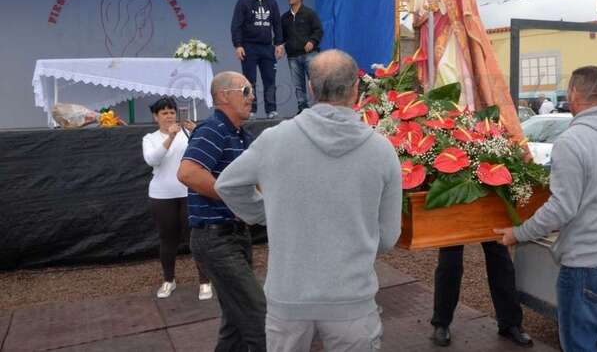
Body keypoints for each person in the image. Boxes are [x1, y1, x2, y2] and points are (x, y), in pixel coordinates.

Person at [215, 50, 402, 352]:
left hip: (288, 297)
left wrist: (267, 213)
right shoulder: (381, 151)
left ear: (311, 89)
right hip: (352, 298)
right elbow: (388, 236)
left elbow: (228, 184)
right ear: (356, 88)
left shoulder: (274, 140)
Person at [403, 0, 533, 347]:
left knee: (497, 251)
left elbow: (454, 2)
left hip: (484, 165)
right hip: (455, 165)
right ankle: (441, 321)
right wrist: (415, 4)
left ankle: (510, 322)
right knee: (450, 252)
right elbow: (421, 15)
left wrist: (429, 0)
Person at [495, 66, 597, 352]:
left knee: (579, 344)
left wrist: (518, 233)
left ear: (574, 94)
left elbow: (560, 209)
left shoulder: (571, 142)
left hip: (589, 262)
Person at [177, 72, 267, 351]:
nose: (252, 97)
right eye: (246, 91)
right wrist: (235, 200)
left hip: (235, 236)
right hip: (216, 239)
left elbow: (255, 182)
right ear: (224, 96)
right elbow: (188, 173)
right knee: (260, 317)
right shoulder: (213, 129)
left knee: (236, 322)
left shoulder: (242, 136)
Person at [141, 96, 211, 300]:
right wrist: (170, 137)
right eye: (164, 113)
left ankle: (205, 281)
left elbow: (205, 154)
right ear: (156, 117)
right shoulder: (149, 138)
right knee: (167, 239)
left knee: (195, 238)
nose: (169, 116)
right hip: (162, 195)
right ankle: (169, 280)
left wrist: (197, 132)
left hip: (189, 192)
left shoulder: (188, 133)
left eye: (172, 112)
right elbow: (152, 160)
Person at [231, 0, 285, 119]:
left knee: (270, 80)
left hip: (267, 47)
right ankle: (250, 110)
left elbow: (277, 25)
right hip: (249, 47)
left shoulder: (272, 2)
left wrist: (279, 44)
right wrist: (238, 45)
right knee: (249, 81)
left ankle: (271, 110)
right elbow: (236, 26)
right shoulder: (243, 2)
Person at [280, 0, 323, 113]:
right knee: (298, 86)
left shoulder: (309, 13)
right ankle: (303, 109)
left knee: (315, 82)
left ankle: (320, 108)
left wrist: (312, 41)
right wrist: (279, 45)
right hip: (293, 56)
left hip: (310, 55)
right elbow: (281, 36)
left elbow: (318, 30)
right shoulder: (285, 18)